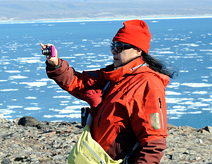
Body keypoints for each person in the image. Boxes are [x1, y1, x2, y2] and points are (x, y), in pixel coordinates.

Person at [41, 19, 176, 164]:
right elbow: (77, 82)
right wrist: (56, 64)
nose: (113, 51)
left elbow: (153, 142)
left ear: (138, 50)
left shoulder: (147, 83)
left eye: (119, 47)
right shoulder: (111, 77)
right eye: (113, 46)